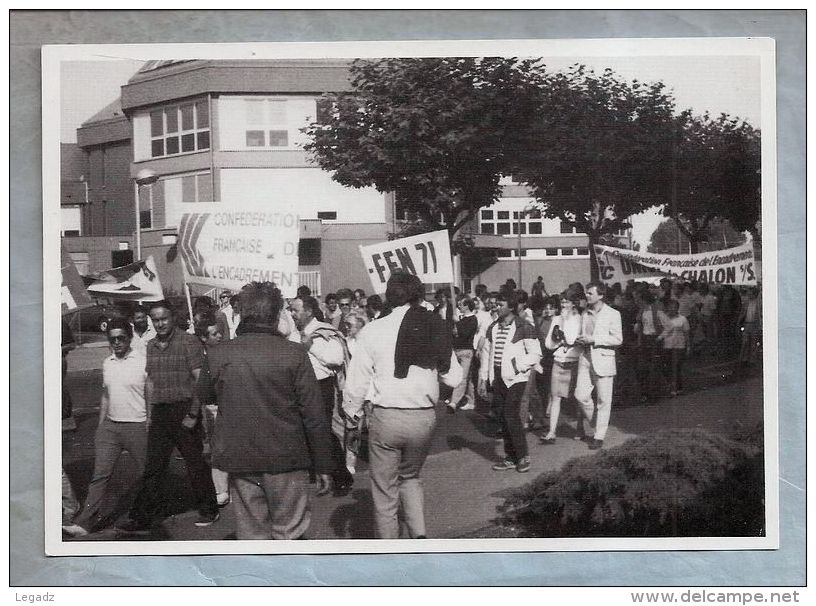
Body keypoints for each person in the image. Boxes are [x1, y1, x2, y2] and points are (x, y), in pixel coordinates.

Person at [206, 282, 334, 540]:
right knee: (289, 534)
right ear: (277, 315)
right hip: (287, 458)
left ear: (241, 313)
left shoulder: (219, 354)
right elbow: (314, 414)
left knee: (253, 535)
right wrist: (323, 464)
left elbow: (207, 395)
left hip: (241, 458)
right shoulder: (295, 354)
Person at [342, 271, 462, 539]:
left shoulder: (372, 330)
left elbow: (356, 384)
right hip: (423, 418)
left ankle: (390, 550)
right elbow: (454, 376)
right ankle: (419, 537)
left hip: (387, 417)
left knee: (385, 490)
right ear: (418, 294)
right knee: (410, 477)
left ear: (388, 296)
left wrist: (352, 413)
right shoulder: (433, 325)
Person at [119, 300, 219, 531]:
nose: (160, 323)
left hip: (184, 410)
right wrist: (149, 415)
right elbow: (151, 382)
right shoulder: (151, 345)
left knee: (195, 465)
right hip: (161, 413)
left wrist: (193, 414)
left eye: (163, 318)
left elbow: (200, 380)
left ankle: (209, 509)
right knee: (153, 467)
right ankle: (142, 517)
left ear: (172, 318)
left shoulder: (188, 341)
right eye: (155, 319)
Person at [63, 319, 149, 537]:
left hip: (137, 425)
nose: (117, 343)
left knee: (146, 474)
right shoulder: (107, 362)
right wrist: (101, 426)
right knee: (100, 475)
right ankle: (85, 523)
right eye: (113, 339)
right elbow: (105, 395)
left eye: (121, 338)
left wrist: (150, 423)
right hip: (111, 427)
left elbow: (151, 394)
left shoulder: (143, 361)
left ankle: (148, 516)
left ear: (129, 338)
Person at [290, 295, 354, 495]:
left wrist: (311, 346)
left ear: (308, 311)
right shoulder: (294, 334)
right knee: (309, 430)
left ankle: (341, 476)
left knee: (322, 431)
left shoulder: (325, 331)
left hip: (321, 386)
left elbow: (336, 358)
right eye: (291, 310)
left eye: (296, 310)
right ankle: (321, 471)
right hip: (301, 386)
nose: (292, 314)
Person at [478, 291, 542, 473]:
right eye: (495, 304)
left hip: (516, 378)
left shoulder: (524, 327)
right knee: (501, 416)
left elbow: (536, 354)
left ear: (512, 307)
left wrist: (517, 365)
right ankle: (511, 457)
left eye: (500, 305)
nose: (496, 307)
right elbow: (486, 355)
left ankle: (523, 456)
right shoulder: (493, 327)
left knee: (510, 415)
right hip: (497, 377)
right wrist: (483, 378)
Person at [574, 282, 622, 450]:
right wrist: (580, 339)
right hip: (585, 358)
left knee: (603, 400)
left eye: (590, 293)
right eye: (586, 293)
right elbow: (583, 333)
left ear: (600, 295)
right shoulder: (585, 313)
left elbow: (618, 339)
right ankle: (596, 423)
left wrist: (594, 340)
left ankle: (599, 436)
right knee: (580, 395)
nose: (587, 296)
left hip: (604, 360)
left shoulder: (613, 314)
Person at [194, 313, 230, 507]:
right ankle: (221, 490)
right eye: (214, 334)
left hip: (229, 404)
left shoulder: (226, 354)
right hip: (211, 406)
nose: (219, 337)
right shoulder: (201, 358)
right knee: (216, 448)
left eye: (219, 333)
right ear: (203, 338)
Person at [539, 290, 582, 443]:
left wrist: (563, 331)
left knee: (576, 398)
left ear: (573, 303)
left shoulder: (579, 319)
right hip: (558, 360)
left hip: (574, 361)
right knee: (555, 397)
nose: (564, 305)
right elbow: (549, 344)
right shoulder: (557, 318)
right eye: (562, 302)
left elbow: (571, 341)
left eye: (567, 302)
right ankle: (552, 432)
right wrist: (559, 337)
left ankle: (580, 428)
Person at [449, 297, 478, 412]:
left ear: (467, 306)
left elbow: (464, 333)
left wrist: (457, 323)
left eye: (461, 304)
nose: (459, 306)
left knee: (463, 377)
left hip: (466, 351)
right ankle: (471, 401)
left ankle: (454, 402)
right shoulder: (462, 320)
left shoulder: (472, 319)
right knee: (467, 377)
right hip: (457, 350)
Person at [657, 299, 691, 396]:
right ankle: (674, 384)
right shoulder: (663, 318)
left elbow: (686, 333)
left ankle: (674, 388)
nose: (672, 309)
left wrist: (688, 346)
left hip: (679, 345)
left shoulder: (683, 319)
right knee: (666, 367)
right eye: (670, 307)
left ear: (677, 308)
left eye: (674, 307)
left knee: (675, 366)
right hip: (666, 345)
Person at [738, 286, 762, 367]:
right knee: (745, 342)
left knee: (753, 343)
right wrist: (739, 321)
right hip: (747, 323)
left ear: (754, 294)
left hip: (755, 324)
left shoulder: (758, 303)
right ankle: (744, 358)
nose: (749, 294)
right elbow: (742, 312)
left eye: (750, 293)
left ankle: (752, 359)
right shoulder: (746, 302)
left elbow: (759, 315)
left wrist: (760, 326)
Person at [62, 317, 77, 431]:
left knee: (58, 385)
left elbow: (72, 344)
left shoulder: (60, 322)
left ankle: (65, 414)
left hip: (58, 358)